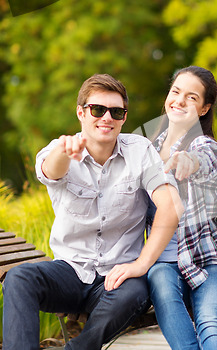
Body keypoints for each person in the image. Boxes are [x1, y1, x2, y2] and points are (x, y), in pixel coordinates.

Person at [2, 74, 181, 350]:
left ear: (123, 118)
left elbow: (169, 208)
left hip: (118, 278)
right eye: (98, 110)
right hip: (70, 272)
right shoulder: (60, 149)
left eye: (116, 112)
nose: (106, 118)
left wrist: (141, 265)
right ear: (81, 113)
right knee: (19, 278)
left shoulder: (140, 151)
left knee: (134, 292)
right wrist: (64, 152)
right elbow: (51, 171)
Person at [145, 66, 217, 350]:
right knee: (160, 280)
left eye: (191, 97)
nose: (179, 101)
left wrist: (190, 161)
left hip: (213, 263)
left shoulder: (205, 144)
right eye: (176, 92)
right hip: (165, 263)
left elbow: (206, 159)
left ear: (204, 109)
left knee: (211, 322)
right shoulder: (146, 149)